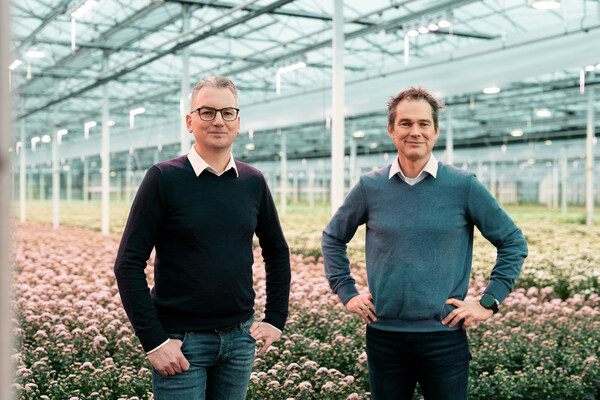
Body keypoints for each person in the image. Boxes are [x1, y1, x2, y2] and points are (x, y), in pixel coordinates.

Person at [321, 87, 528, 400]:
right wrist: (346, 292)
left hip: (444, 337)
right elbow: (333, 237)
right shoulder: (369, 187)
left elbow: (512, 241)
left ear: (436, 131)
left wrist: (489, 301)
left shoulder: (463, 185)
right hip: (384, 336)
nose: (414, 131)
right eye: (405, 123)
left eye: (423, 124)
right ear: (391, 130)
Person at [114, 76, 291, 400]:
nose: (218, 121)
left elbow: (277, 251)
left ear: (238, 123)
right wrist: (154, 341)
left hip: (240, 339)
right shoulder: (163, 178)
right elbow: (128, 263)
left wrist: (276, 318)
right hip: (180, 342)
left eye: (227, 113)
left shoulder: (253, 181)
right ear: (189, 121)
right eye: (207, 112)